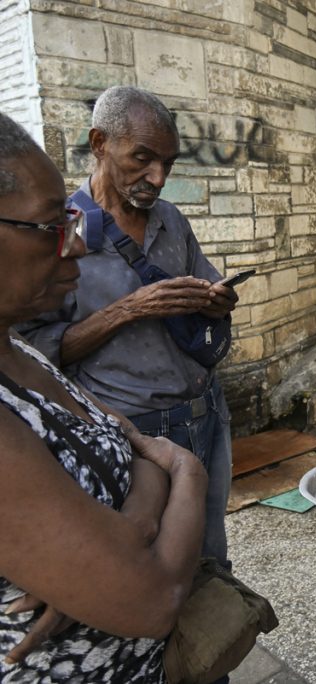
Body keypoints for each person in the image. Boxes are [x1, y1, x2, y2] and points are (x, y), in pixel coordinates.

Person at [0, 112, 207, 680]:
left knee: (205, 561)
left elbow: (129, 445)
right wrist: (184, 469)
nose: (72, 246)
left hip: (190, 406)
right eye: (50, 228)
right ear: (100, 145)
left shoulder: (19, 356)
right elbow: (153, 598)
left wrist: (106, 548)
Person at [17, 86, 237, 565]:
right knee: (149, 560)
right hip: (135, 433)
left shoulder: (171, 220)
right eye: (142, 158)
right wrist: (128, 309)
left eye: (168, 163)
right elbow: (34, 357)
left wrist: (217, 300)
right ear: (99, 143)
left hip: (206, 412)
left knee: (210, 551)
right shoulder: (61, 231)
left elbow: (207, 281)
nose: (157, 178)